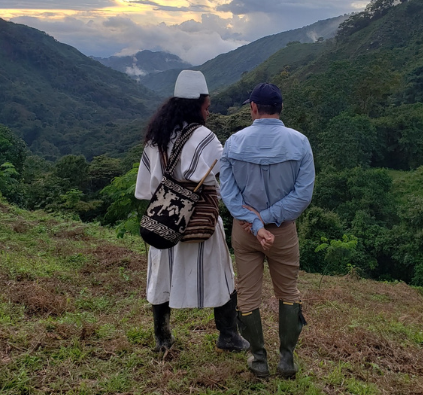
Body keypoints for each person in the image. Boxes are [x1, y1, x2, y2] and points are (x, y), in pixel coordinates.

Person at [135, 70, 249, 354]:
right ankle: (228, 334)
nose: (208, 113)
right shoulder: (204, 137)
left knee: (161, 277)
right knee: (222, 274)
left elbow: (144, 189)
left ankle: (162, 338)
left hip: (165, 221)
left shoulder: (155, 138)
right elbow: (223, 173)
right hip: (201, 220)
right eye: (207, 107)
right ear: (196, 105)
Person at [220, 82, 315, 378]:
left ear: (253, 108)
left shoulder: (233, 142)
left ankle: (258, 360)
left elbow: (228, 192)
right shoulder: (300, 142)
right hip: (283, 232)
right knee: (288, 292)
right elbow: (303, 195)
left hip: (245, 231)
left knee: (248, 295)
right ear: (281, 108)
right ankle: (286, 360)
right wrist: (269, 218)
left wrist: (256, 222)